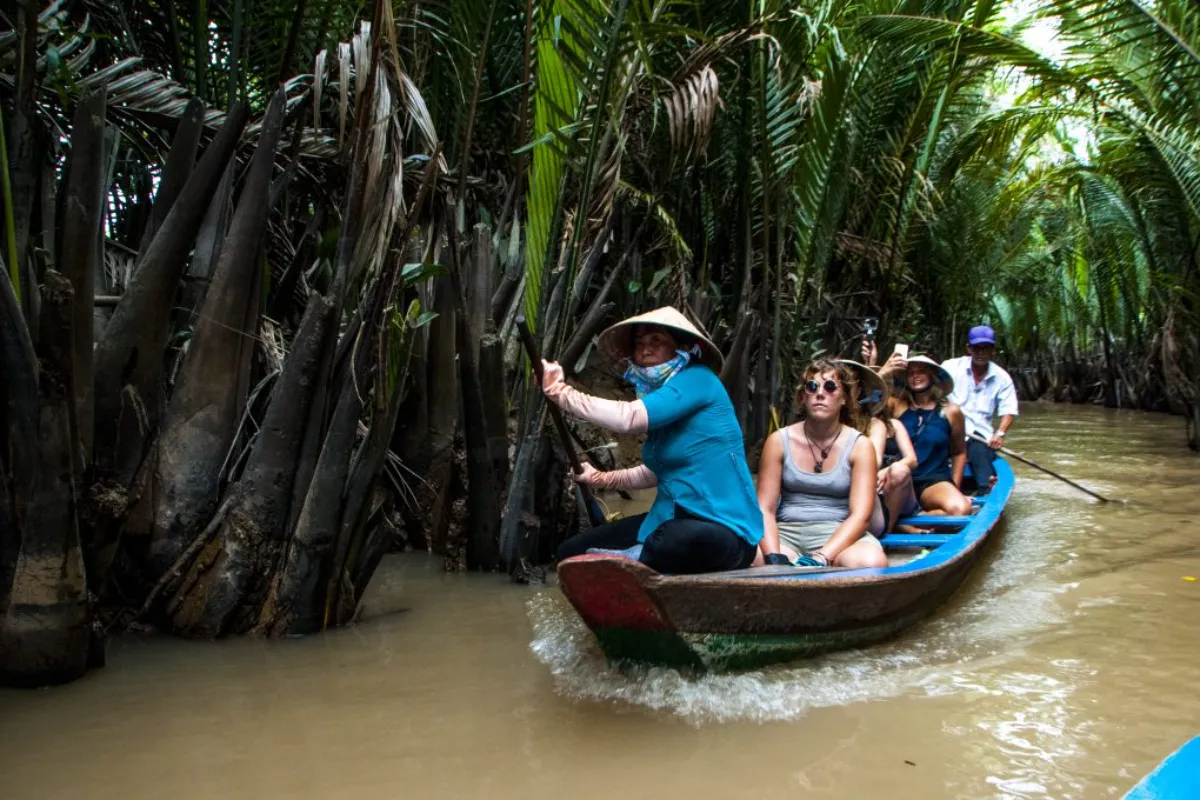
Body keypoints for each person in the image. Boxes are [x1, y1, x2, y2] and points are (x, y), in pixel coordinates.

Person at [542, 306, 768, 574]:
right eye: (639, 344)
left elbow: (628, 419)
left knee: (669, 541)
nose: (645, 349)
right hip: (668, 522)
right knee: (570, 553)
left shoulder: (698, 379)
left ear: (681, 348)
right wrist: (603, 479)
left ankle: (633, 560)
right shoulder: (662, 401)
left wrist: (562, 393)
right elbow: (656, 472)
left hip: (724, 533)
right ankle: (632, 559)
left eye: (656, 341)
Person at [755, 359, 888, 569]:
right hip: (787, 532)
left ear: (844, 398)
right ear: (803, 397)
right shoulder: (779, 441)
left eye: (830, 387)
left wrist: (822, 556)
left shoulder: (860, 446)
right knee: (750, 556)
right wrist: (773, 557)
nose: (820, 393)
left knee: (870, 561)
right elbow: (765, 509)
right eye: (812, 387)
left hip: (839, 534)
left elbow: (861, 516)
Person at [940, 325, 1018, 495]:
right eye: (977, 348)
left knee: (980, 453)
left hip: (979, 436)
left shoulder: (1002, 378)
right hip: (949, 429)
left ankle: (984, 490)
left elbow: (1009, 409)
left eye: (986, 348)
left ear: (993, 350)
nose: (981, 353)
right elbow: (933, 388)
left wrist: (1000, 433)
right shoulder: (950, 367)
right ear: (969, 349)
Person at [891, 356, 973, 517]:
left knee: (961, 509)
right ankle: (906, 519)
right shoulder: (896, 405)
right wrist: (884, 368)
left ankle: (916, 516)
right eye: (910, 373)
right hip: (899, 481)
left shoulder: (951, 412)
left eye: (921, 371)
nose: (915, 376)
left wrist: (955, 487)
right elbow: (867, 401)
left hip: (933, 481)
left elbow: (959, 453)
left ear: (932, 376)